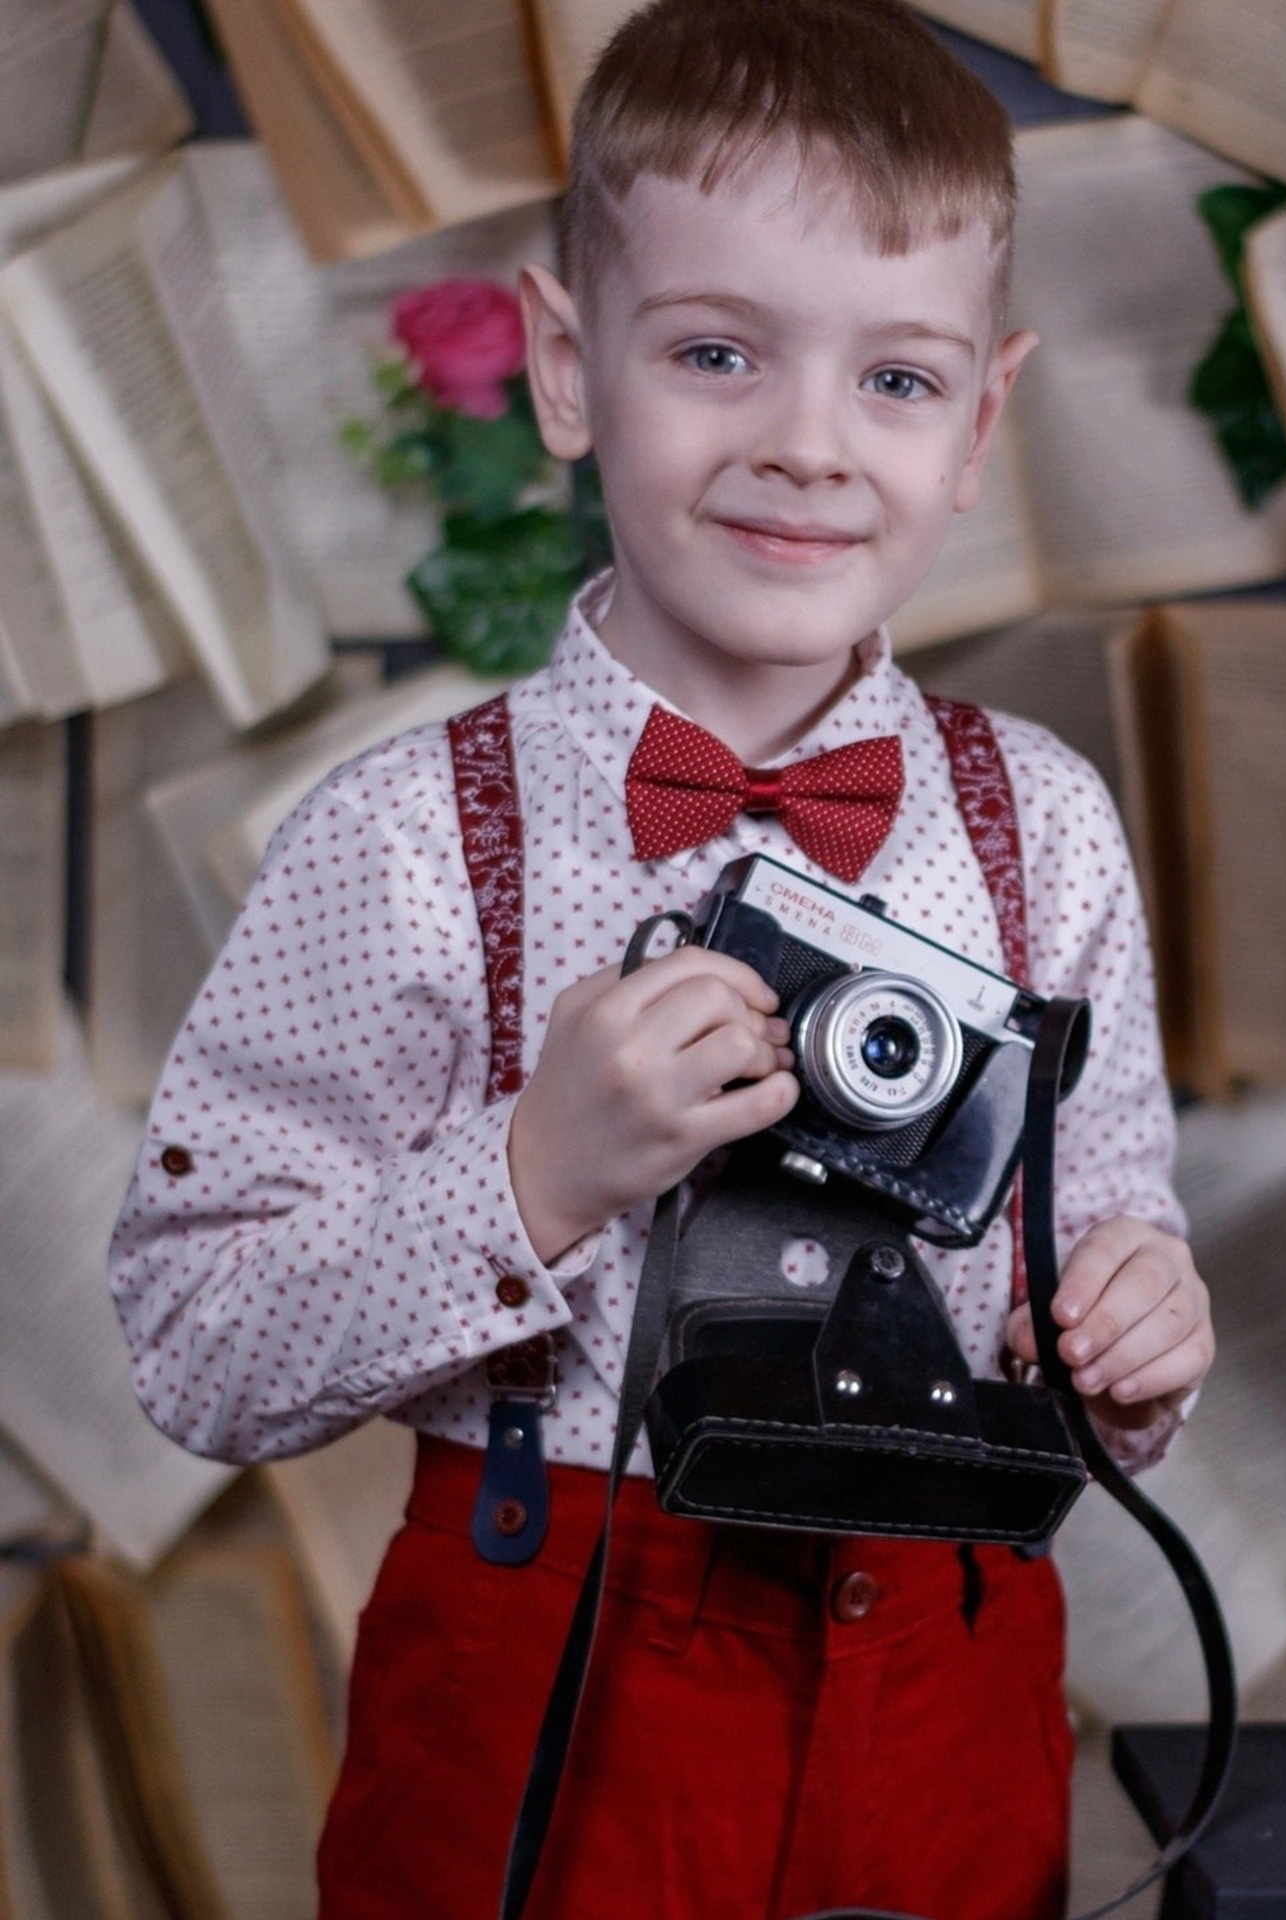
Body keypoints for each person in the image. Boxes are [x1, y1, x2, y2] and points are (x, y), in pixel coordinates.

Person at [110, 2, 1213, 1914]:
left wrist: (1135, 1341)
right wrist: (538, 1170)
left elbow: (1113, 1231)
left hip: (945, 1679)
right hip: (556, 1684)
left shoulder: (1043, 825)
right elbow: (195, 1342)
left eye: (896, 379)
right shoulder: (404, 840)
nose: (806, 446)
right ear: (567, 369)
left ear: (981, 424)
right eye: (716, 353)